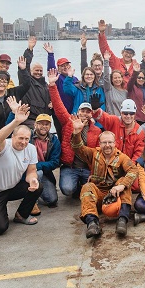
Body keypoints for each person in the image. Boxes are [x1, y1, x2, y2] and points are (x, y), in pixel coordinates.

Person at [71, 124, 139, 238]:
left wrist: (121, 185)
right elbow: (78, 148)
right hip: (98, 194)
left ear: (115, 143)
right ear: (100, 144)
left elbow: (134, 170)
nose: (107, 145)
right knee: (87, 186)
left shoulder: (122, 157)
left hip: (115, 196)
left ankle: (122, 221)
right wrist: (77, 132)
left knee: (125, 184)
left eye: (110, 142)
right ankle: (92, 223)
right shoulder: (93, 154)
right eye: (104, 142)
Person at [0, 103, 42, 235]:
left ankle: (21, 215)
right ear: (12, 137)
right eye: (20, 138)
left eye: (26, 139)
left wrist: (33, 180)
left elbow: (31, 171)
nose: (23, 142)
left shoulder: (31, 149)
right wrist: (16, 121)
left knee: (38, 186)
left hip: (12, 188)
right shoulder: (4, 146)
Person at [48, 69, 102, 198]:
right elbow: (59, 106)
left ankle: (82, 184)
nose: (84, 114)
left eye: (87, 112)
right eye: (82, 111)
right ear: (78, 112)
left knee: (93, 189)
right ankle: (74, 184)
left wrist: (95, 172)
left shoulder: (96, 130)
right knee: (67, 189)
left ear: (91, 114)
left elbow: (98, 154)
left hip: (87, 168)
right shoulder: (69, 123)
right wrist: (52, 86)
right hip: (71, 166)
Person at [0, 57, 31, 135]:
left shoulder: (13, 93)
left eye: (4, 81)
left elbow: (27, 84)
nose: (1, 83)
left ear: (7, 84)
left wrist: (23, 69)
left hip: (14, 134)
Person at [31, 114, 61, 210]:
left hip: (44, 172)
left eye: (47, 124)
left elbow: (55, 162)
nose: (44, 126)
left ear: (50, 126)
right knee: (37, 173)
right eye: (41, 124)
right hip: (27, 173)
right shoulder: (27, 137)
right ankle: (31, 201)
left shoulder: (54, 140)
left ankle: (38, 190)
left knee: (52, 200)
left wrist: (38, 165)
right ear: (35, 124)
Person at [20, 42, 52, 129]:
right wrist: (29, 50)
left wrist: (52, 104)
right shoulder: (27, 82)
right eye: (36, 70)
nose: (39, 72)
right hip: (29, 119)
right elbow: (24, 68)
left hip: (43, 119)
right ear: (30, 71)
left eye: (40, 71)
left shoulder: (46, 85)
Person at [98, 19, 139, 85]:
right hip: (117, 92)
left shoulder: (136, 66)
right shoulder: (116, 62)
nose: (128, 55)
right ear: (122, 52)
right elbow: (105, 50)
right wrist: (102, 33)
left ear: (133, 55)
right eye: (126, 52)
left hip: (131, 94)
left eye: (130, 53)